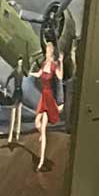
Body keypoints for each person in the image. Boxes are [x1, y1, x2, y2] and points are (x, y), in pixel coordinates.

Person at [33, 39, 64, 173]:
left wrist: (61, 62)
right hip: (43, 97)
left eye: (47, 51)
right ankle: (42, 134)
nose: (45, 53)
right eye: (46, 51)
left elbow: (61, 77)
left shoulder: (53, 65)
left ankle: (41, 161)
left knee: (43, 129)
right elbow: (39, 74)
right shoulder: (45, 63)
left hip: (48, 97)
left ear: (51, 52)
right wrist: (29, 73)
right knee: (36, 124)